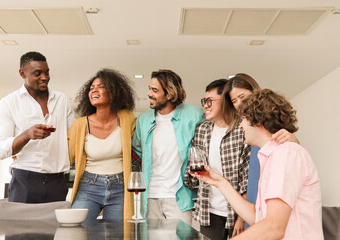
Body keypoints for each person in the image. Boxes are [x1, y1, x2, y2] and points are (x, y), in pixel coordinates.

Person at [191, 89, 323, 239]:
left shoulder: (286, 154)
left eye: (243, 120)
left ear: (258, 120)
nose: (240, 126)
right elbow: (257, 218)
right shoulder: (270, 157)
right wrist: (219, 182)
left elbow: (273, 227)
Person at [0, 51, 75, 203]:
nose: (44, 78)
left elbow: (74, 138)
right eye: (37, 73)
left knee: (55, 227)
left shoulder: (62, 100)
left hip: (57, 182)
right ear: (22, 73)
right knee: (20, 226)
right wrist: (26, 135)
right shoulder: (9, 103)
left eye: (47, 73)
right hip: (24, 180)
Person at [131, 69, 205, 225]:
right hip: (150, 196)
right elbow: (137, 151)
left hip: (180, 197)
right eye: (150, 88)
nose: (149, 93)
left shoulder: (195, 115)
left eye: (154, 90)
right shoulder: (143, 120)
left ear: (170, 94)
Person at [183, 79, 250, 239]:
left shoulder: (243, 129)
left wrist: (241, 218)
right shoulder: (202, 130)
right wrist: (191, 174)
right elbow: (192, 167)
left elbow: (247, 178)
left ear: (226, 102)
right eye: (204, 101)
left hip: (238, 212)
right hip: (209, 213)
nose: (205, 105)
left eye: (210, 101)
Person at [221, 73, 299, 209]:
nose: (239, 104)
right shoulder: (239, 128)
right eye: (234, 101)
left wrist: (293, 139)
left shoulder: (272, 127)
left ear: (254, 93)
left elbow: (293, 151)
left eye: (242, 97)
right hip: (250, 195)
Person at [68, 69, 136, 221]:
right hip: (88, 185)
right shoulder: (80, 125)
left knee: (118, 235)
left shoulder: (127, 119)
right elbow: (65, 157)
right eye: (91, 88)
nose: (94, 90)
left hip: (121, 186)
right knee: (76, 229)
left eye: (100, 86)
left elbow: (142, 145)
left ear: (114, 91)